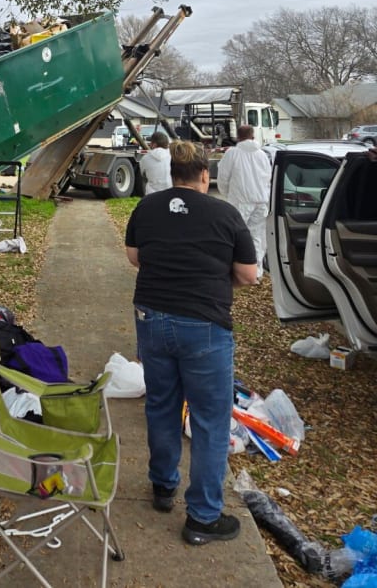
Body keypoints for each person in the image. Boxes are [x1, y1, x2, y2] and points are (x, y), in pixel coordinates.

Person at [125, 141, 258, 546]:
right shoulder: (225, 213)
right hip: (204, 325)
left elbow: (134, 257)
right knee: (209, 420)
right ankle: (202, 517)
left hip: (151, 318)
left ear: (172, 174)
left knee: (161, 405)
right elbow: (249, 275)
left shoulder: (146, 207)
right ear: (204, 174)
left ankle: (163, 487)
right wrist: (217, 276)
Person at [216, 124, 272, 279]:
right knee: (257, 237)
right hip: (261, 201)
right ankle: (256, 272)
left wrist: (227, 194)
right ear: (253, 136)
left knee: (235, 237)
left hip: (240, 201)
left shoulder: (232, 153)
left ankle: (236, 271)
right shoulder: (262, 155)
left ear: (238, 137)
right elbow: (268, 178)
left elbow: (223, 177)